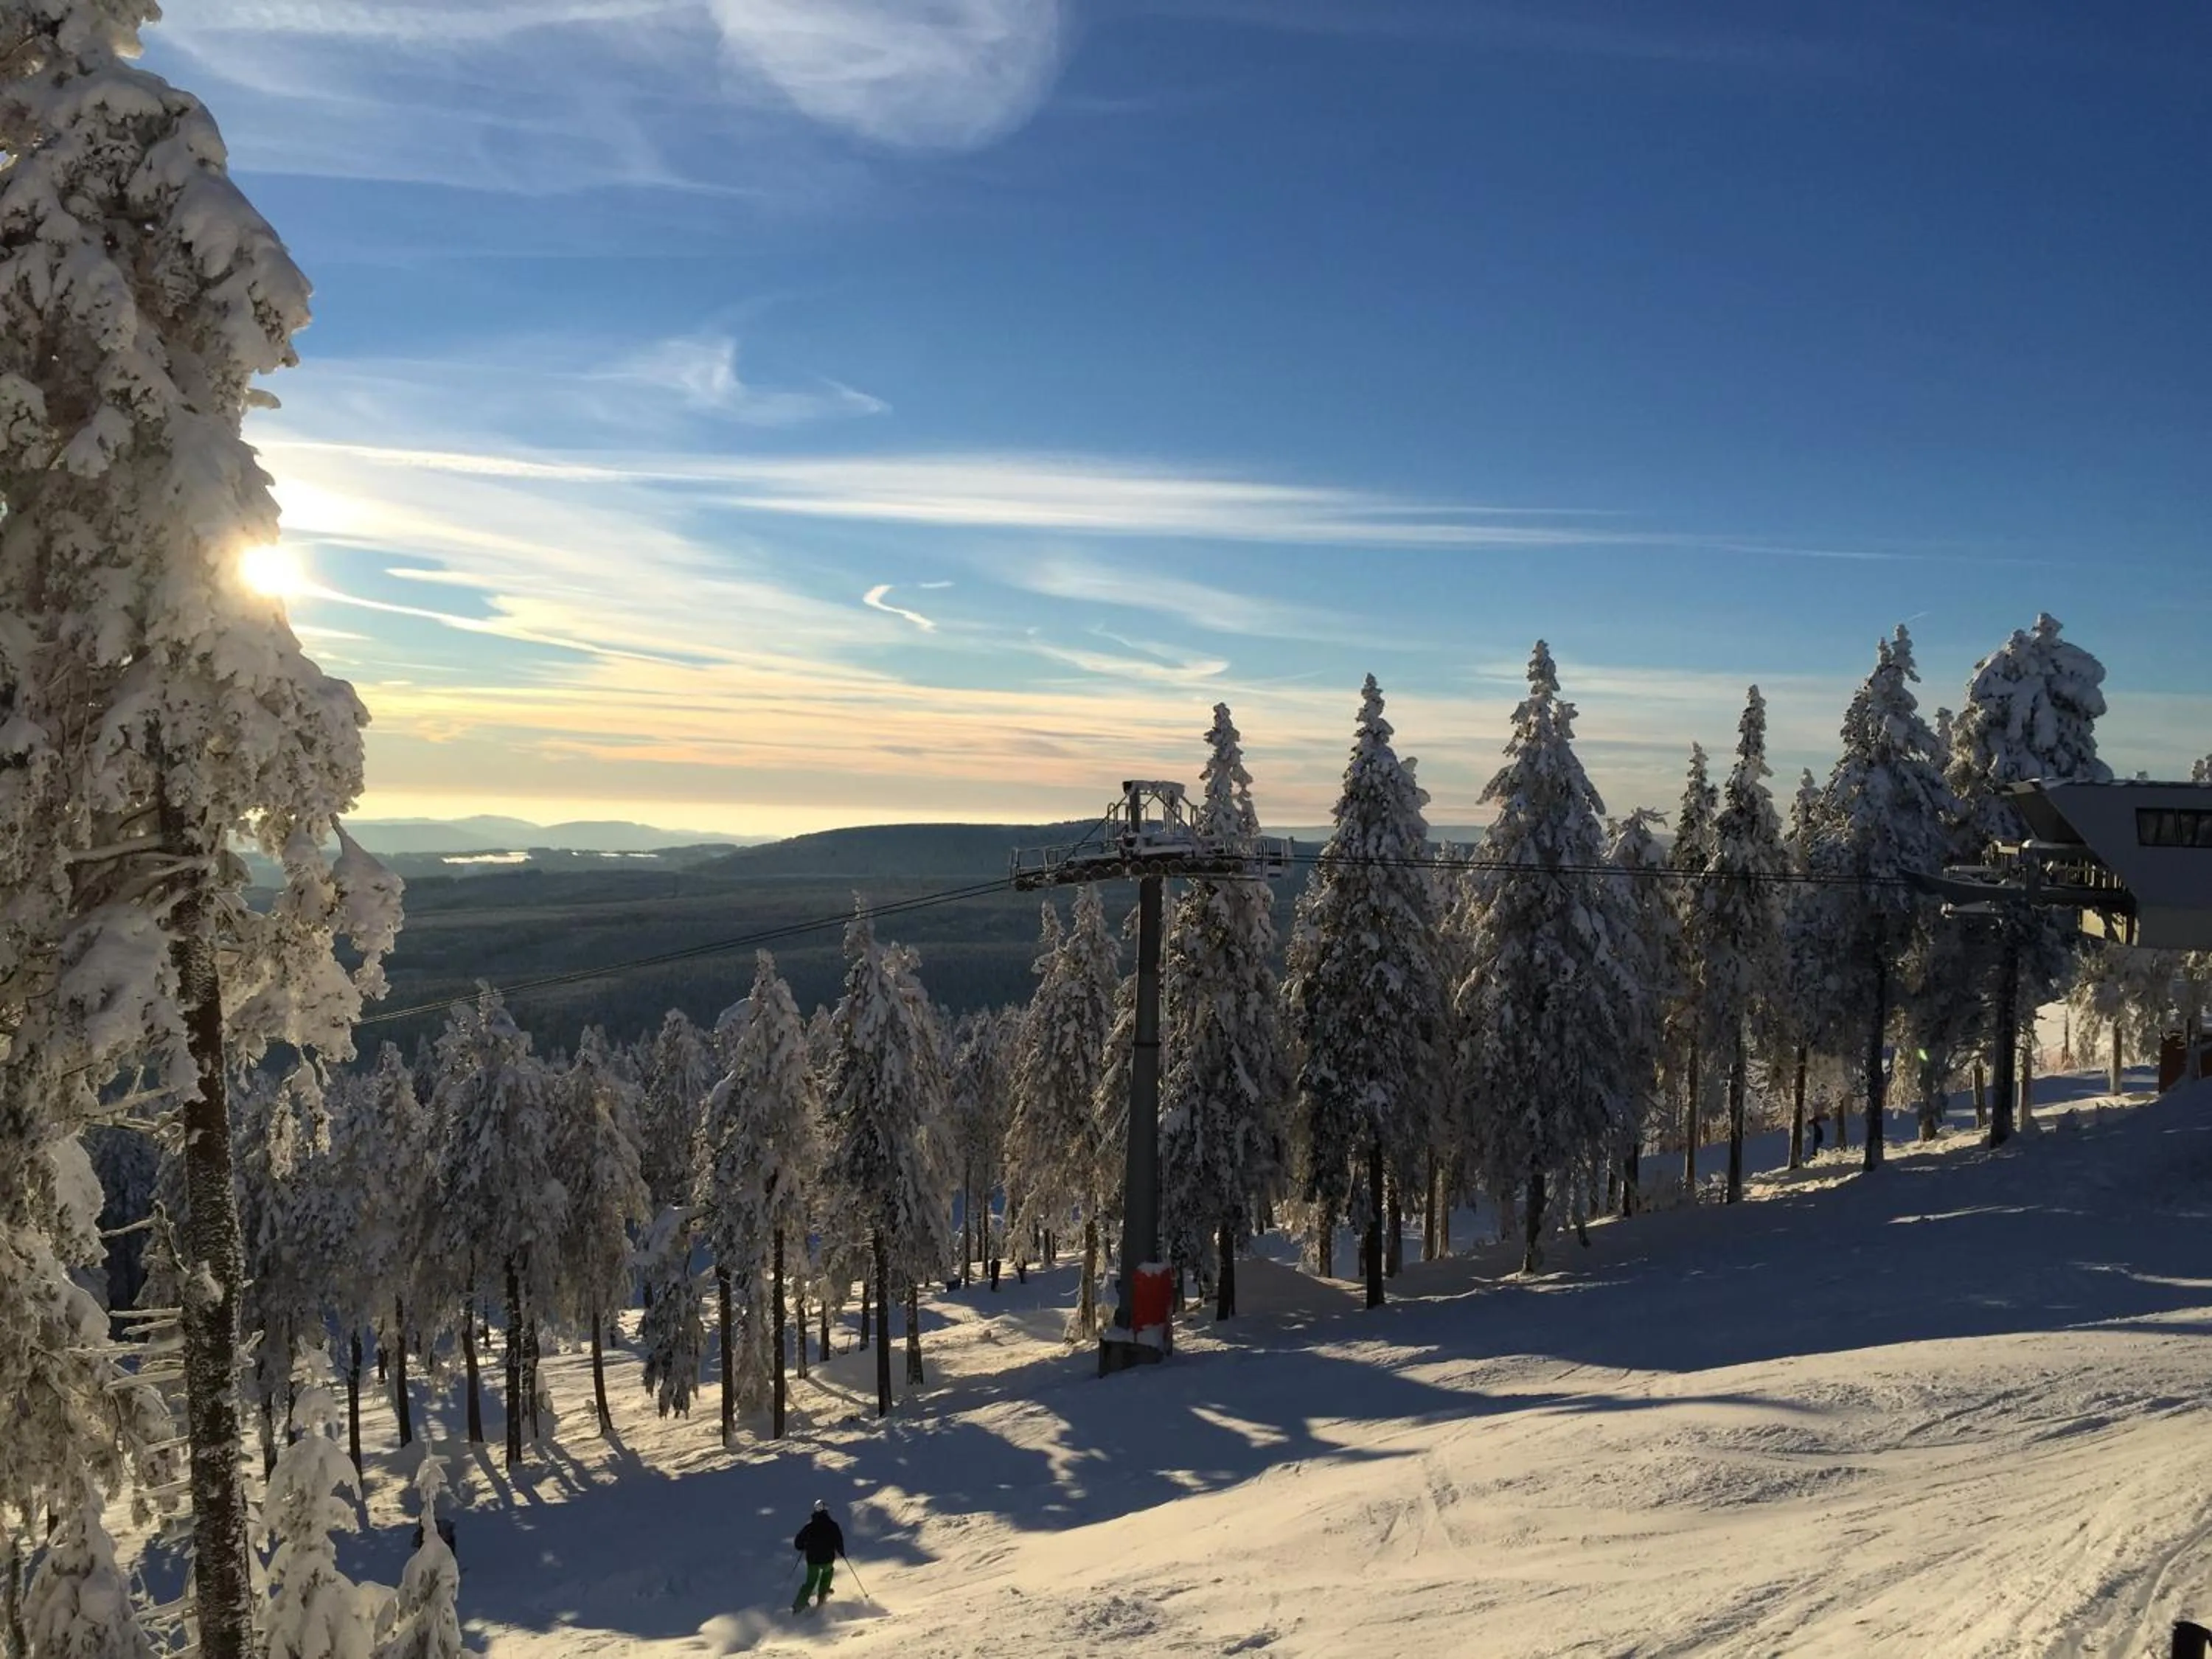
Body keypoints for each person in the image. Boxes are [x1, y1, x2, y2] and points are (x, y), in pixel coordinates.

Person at [790, 1499, 844, 1613]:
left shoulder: (809, 1527)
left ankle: (798, 1606)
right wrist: (841, 1551)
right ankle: (822, 1601)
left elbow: (798, 1543)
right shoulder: (833, 1525)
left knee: (810, 1582)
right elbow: (839, 1540)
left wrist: (803, 1546)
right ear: (826, 1511)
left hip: (813, 1561)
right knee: (827, 1576)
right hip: (828, 1559)